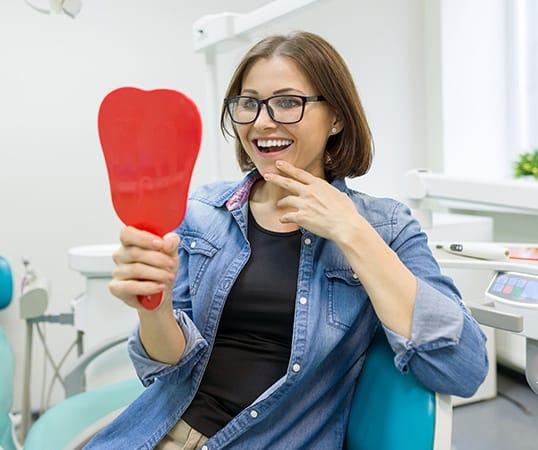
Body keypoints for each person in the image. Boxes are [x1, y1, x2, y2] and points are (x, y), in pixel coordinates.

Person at [84, 31, 488, 449]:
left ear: (337, 117)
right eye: (248, 103)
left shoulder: (385, 227)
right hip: (154, 434)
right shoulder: (202, 212)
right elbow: (168, 369)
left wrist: (350, 231)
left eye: (288, 102)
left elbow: (464, 367)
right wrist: (155, 306)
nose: (261, 122)